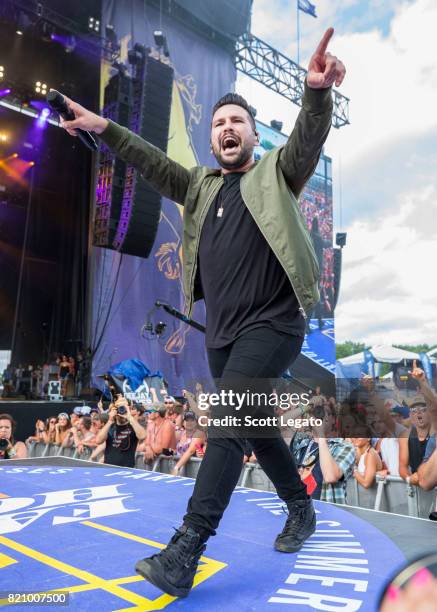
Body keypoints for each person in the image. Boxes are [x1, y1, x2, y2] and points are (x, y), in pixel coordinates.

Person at [61, 27, 345, 598]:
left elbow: (307, 140)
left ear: (250, 136)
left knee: (227, 427)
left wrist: (315, 95)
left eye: (237, 121)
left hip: (276, 321)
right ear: (212, 140)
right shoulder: (200, 187)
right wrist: (103, 127)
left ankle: (186, 549)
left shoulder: (276, 173)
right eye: (218, 125)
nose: (228, 129)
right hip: (224, 333)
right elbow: (149, 159)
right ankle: (300, 508)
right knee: (260, 430)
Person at [95, 396, 147, 467]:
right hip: (108, 467)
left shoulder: (134, 425)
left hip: (127, 469)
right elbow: (98, 441)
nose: (121, 410)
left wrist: (129, 417)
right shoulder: (110, 426)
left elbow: (143, 436)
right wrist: (110, 420)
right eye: (118, 407)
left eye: (123, 408)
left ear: (129, 408)